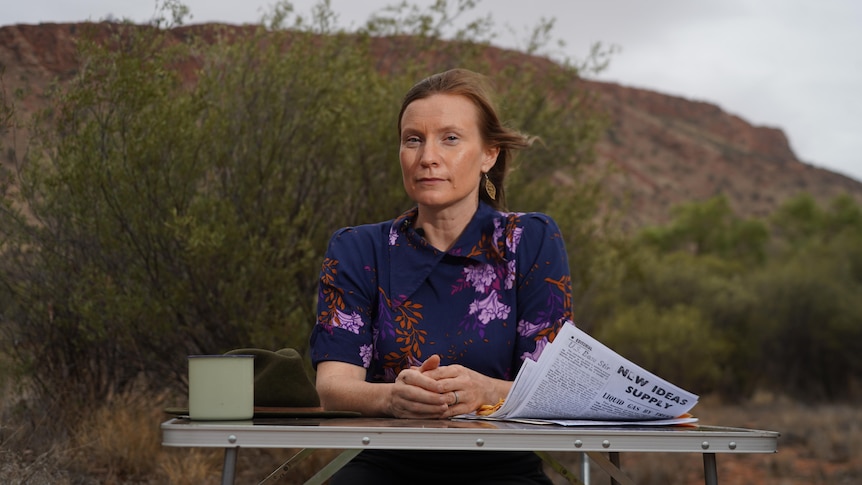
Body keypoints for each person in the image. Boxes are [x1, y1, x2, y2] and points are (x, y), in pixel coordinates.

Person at [310, 68, 573, 484]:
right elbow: (333, 387)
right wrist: (393, 398)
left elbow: (554, 386)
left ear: (489, 154)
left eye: (450, 138)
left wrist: (486, 392)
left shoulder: (530, 241)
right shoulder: (357, 249)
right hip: (384, 464)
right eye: (413, 139)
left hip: (504, 467)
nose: (427, 156)